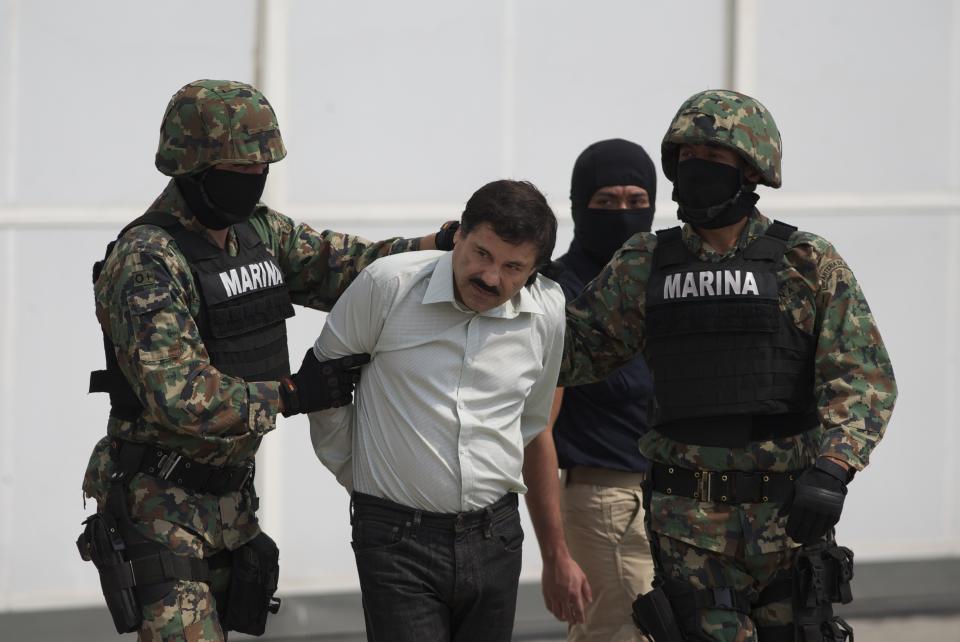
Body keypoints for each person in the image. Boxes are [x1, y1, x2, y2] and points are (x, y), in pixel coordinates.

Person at [78, 79, 450, 642]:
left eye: (261, 171)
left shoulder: (257, 231)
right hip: (161, 510)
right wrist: (295, 395)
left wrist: (437, 245)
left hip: (231, 508)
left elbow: (341, 267)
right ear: (193, 167)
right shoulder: (147, 261)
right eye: (239, 173)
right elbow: (181, 396)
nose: (254, 183)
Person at [559, 90, 897, 642]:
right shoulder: (644, 262)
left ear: (752, 170)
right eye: (687, 159)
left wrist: (834, 469)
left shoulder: (805, 261)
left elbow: (862, 377)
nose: (696, 172)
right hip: (686, 524)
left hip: (789, 521)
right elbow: (576, 352)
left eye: (712, 161)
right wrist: (507, 307)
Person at [308, 179, 565, 642]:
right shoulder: (387, 286)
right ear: (459, 234)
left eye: (513, 267)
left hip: (498, 537)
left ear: (534, 271)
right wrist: (363, 476)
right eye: (482, 253)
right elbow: (321, 389)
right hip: (395, 540)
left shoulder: (548, 312)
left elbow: (531, 416)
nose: (491, 277)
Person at [523, 138, 658, 642]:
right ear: (581, 206)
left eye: (635, 201)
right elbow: (537, 430)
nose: (623, 213)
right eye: (606, 201)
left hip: (673, 505)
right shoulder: (560, 295)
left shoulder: (661, 281)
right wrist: (554, 554)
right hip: (605, 505)